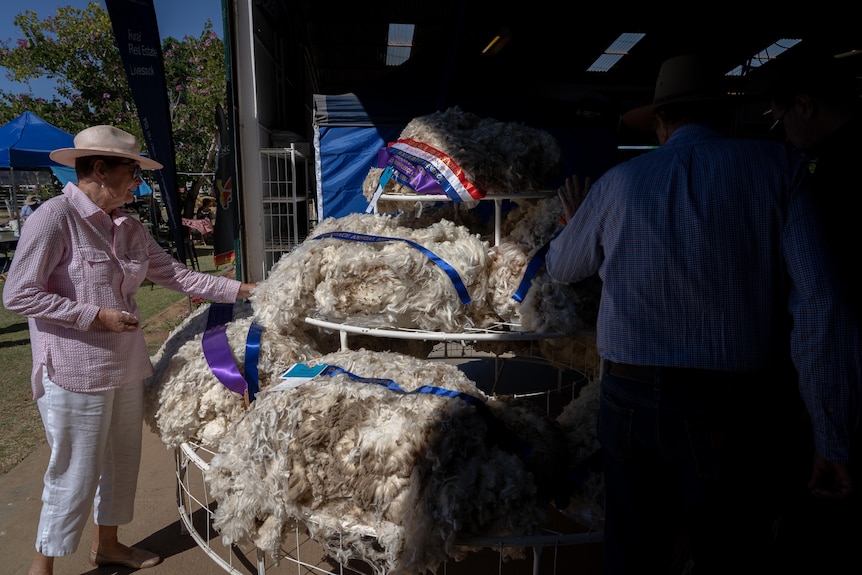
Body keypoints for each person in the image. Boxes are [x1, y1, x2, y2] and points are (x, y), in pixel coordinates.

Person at [545, 54, 860, 574]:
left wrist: (581, 223)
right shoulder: (781, 171)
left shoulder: (620, 181)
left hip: (628, 402)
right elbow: (823, 305)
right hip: (732, 411)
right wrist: (832, 435)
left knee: (634, 553)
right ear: (726, 117)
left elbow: (562, 267)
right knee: (728, 551)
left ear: (661, 122)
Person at [2, 125, 257, 575]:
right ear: (99, 169)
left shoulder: (130, 227)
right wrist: (95, 315)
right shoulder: (54, 217)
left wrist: (246, 290)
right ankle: (40, 569)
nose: (137, 182)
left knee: (121, 466)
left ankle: (109, 546)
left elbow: (181, 277)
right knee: (74, 473)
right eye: (132, 172)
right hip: (74, 371)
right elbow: (19, 294)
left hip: (124, 367)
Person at [761, 49, 862, 571]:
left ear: (804, 105)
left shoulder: (821, 179)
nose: (781, 132)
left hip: (845, 378)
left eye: (780, 118)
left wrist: (829, 432)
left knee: (822, 520)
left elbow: (823, 304)